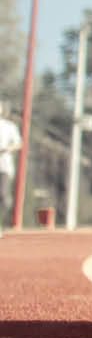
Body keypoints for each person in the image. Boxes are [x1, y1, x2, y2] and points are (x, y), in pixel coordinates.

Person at [0, 100, 21, 238]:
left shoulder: (9, 126)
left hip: (4, 166)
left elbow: (19, 143)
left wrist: (7, 148)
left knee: (3, 195)